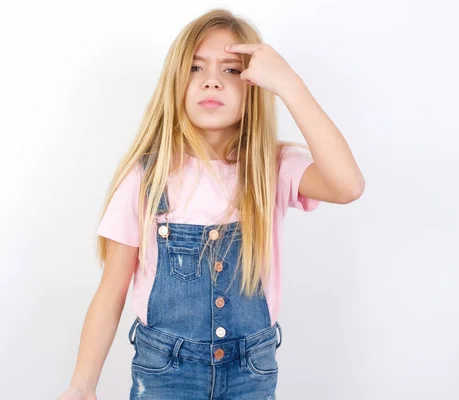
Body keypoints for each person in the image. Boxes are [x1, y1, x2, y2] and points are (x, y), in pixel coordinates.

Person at [58, 7, 364, 400]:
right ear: (175, 83)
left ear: (254, 85)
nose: (213, 82)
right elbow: (111, 290)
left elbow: (348, 185)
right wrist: (82, 385)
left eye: (232, 70)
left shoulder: (271, 168)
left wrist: (290, 85)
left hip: (250, 372)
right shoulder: (145, 178)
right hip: (166, 373)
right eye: (196, 68)